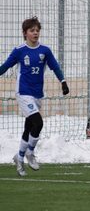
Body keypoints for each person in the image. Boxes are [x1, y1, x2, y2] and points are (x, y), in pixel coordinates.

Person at [0, 16, 69, 177]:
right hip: (23, 92)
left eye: (37, 30)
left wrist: (63, 82)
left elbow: (55, 67)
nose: (35, 33)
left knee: (29, 127)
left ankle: (19, 157)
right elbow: (5, 66)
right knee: (38, 122)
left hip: (37, 94)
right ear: (25, 33)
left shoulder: (45, 51)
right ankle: (30, 153)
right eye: (32, 30)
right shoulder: (19, 51)